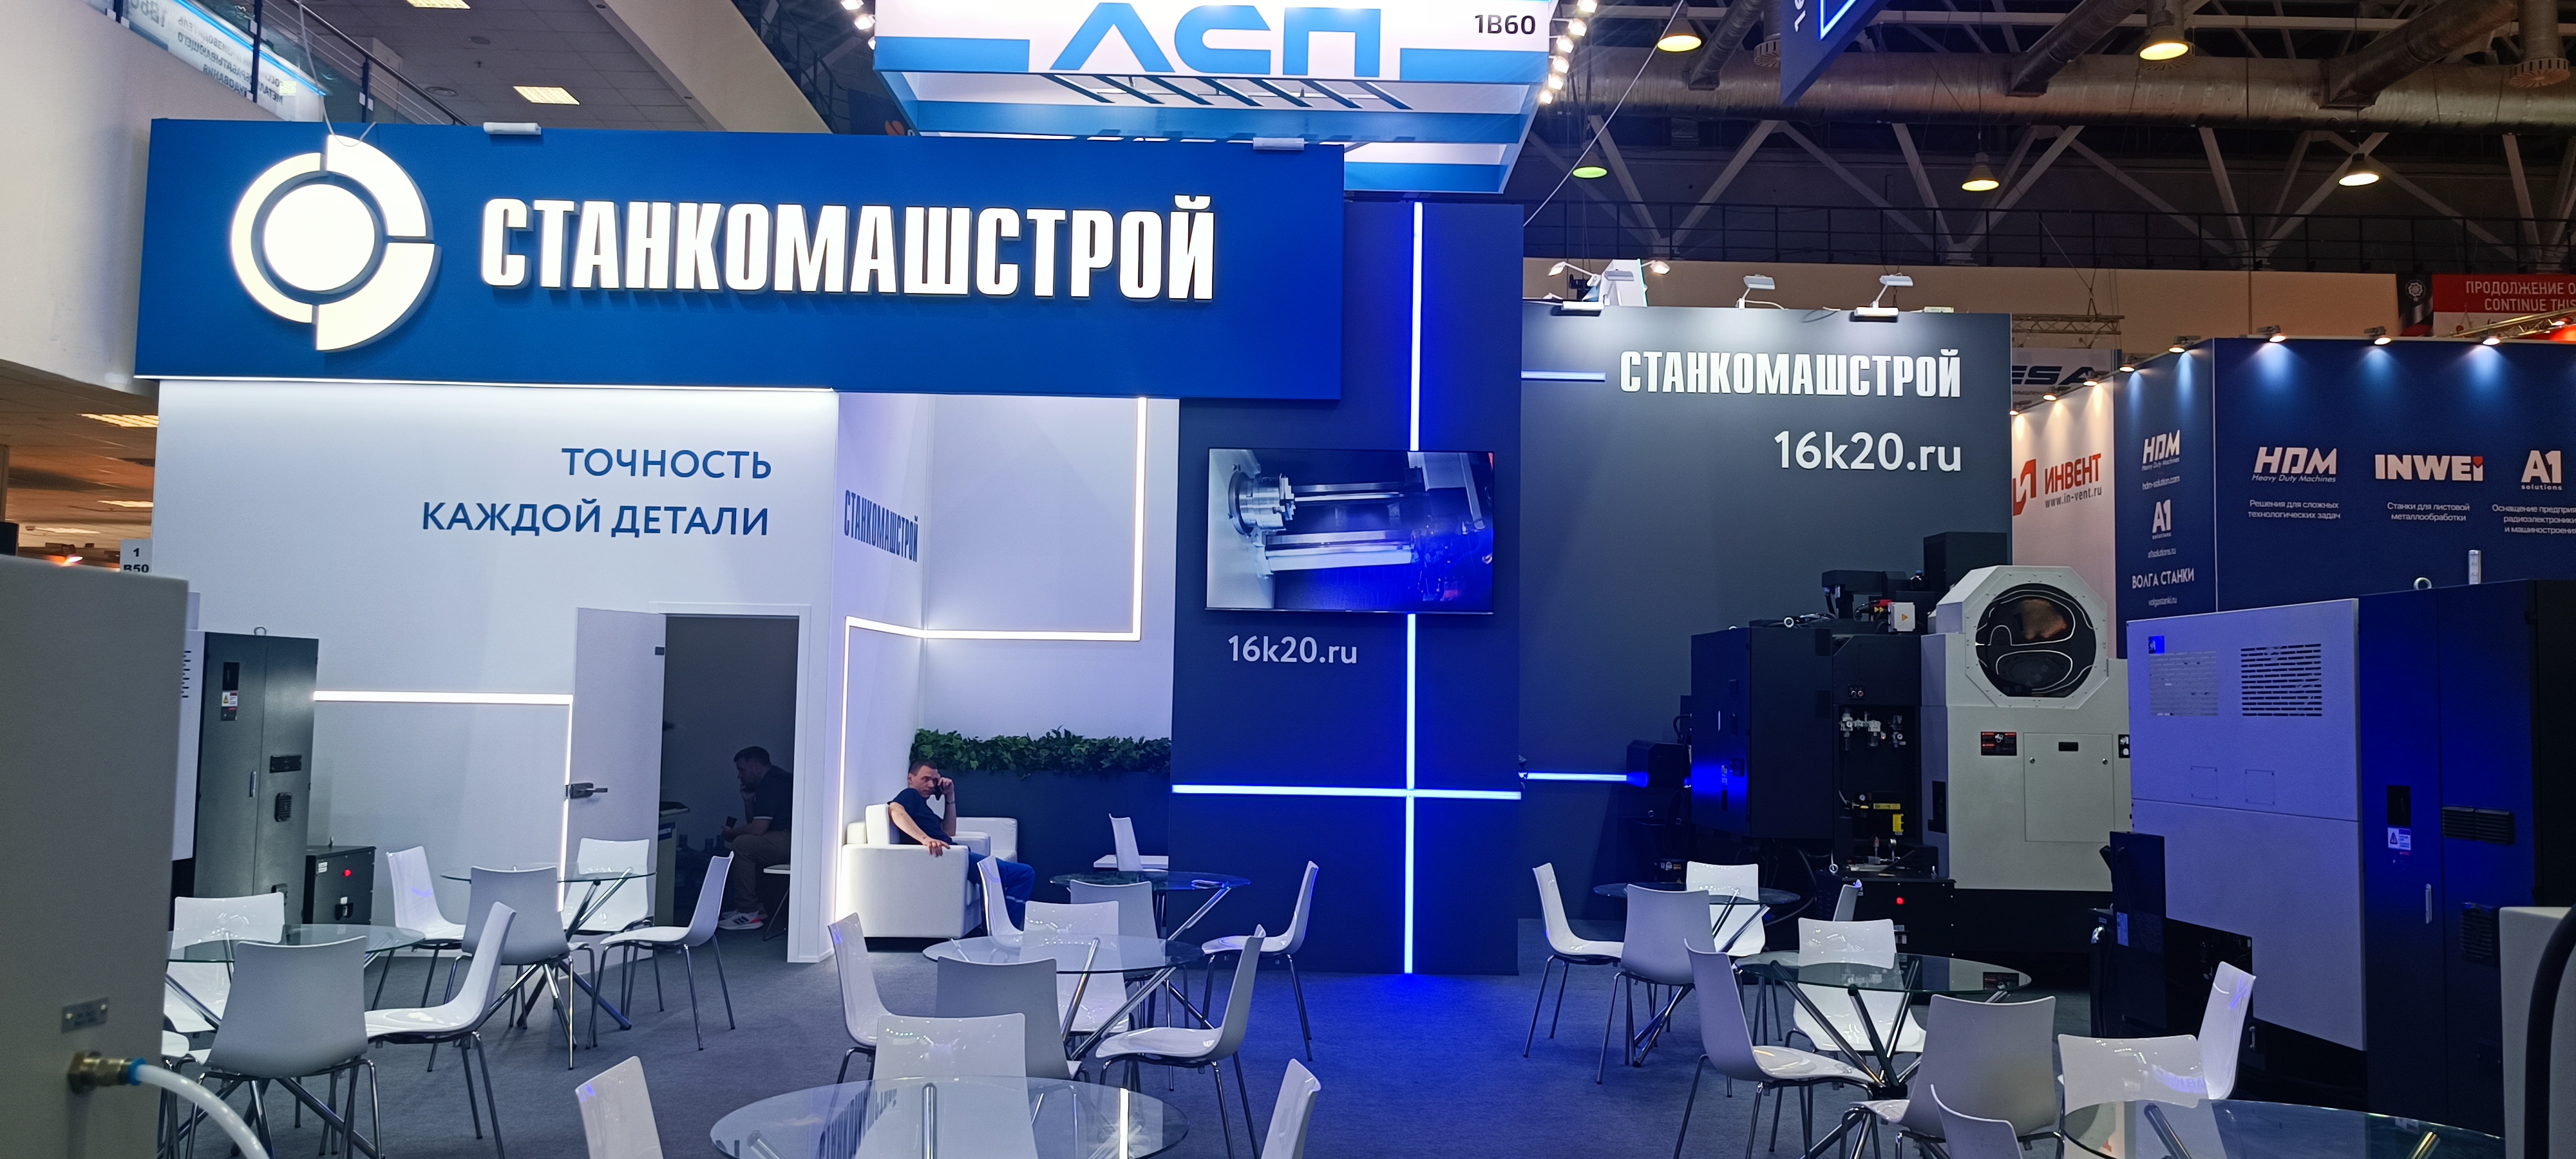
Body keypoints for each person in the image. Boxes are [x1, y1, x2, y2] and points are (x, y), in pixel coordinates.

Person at [888, 759, 1035, 929]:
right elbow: (895, 810)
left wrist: (950, 796)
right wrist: (925, 839)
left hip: (957, 856)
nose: (931, 785)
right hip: (950, 858)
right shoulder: (910, 795)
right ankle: (1004, 929)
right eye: (925, 779)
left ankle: (1001, 926)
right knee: (1020, 873)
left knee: (1020, 873)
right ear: (910, 778)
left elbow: (949, 832)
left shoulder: (924, 808)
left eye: (934, 780)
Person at [718, 746, 793, 930]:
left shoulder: (771, 784)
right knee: (751, 845)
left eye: (741, 769)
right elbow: (757, 825)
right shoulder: (776, 779)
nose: (739, 776)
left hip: (789, 838)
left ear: (756, 767)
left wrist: (730, 834)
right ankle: (758, 908)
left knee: (742, 845)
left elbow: (758, 829)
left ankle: (748, 912)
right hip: (791, 838)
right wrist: (748, 802)